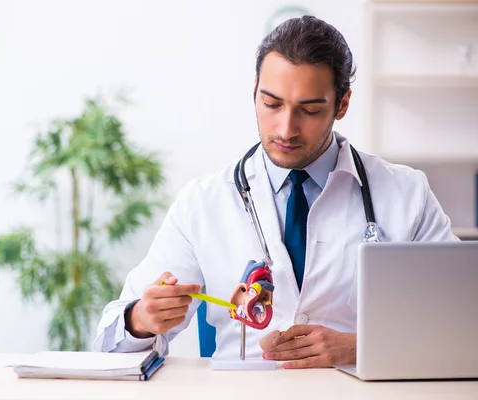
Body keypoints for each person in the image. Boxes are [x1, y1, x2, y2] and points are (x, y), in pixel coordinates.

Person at [92, 15, 458, 369]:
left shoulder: (406, 193)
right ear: (254, 91)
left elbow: (461, 319)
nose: (286, 129)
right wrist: (142, 317)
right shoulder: (203, 203)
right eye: (271, 104)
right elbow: (109, 342)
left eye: (309, 110)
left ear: (342, 104)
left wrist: (360, 347)